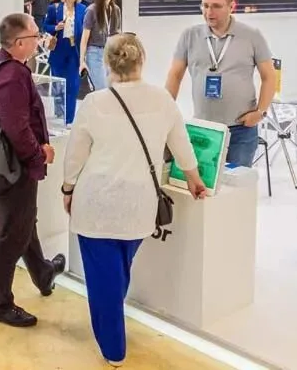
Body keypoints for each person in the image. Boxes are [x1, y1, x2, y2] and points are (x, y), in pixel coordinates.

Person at [64, 33, 206, 366]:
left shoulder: (94, 103)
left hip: (96, 203)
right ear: (141, 60)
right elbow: (182, 145)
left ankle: (113, 348)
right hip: (139, 205)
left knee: (104, 279)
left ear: (108, 64)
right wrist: (194, 178)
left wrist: (68, 188)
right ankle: (112, 324)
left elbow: (75, 155)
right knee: (118, 272)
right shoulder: (162, 100)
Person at [0, 13, 64, 328]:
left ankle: (42, 272)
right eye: (35, 35)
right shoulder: (12, 74)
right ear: (20, 42)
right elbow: (16, 125)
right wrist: (38, 153)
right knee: (11, 231)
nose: (39, 40)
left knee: (22, 222)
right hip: (13, 165)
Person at [165, 0, 275, 168]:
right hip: (203, 128)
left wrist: (260, 112)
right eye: (205, 5)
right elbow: (175, 76)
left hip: (240, 130)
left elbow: (269, 77)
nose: (209, 12)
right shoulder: (190, 35)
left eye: (216, 6)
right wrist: (166, 111)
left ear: (232, 6)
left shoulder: (251, 36)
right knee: (203, 184)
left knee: (235, 183)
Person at [44, 0, 86, 125]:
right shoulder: (54, 8)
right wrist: (56, 27)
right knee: (58, 85)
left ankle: (69, 119)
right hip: (58, 51)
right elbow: (45, 25)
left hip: (74, 51)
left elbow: (85, 29)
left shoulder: (82, 9)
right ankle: (60, 113)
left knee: (73, 86)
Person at [80, 0, 120, 91]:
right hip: (95, 53)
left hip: (111, 53)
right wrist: (82, 62)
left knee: (112, 88)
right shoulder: (91, 10)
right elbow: (84, 39)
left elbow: (116, 34)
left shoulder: (116, 10)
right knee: (102, 89)